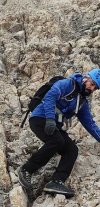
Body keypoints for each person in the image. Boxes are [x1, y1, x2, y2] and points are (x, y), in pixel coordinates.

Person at [18, 69, 100, 198]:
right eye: (92, 84)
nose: (92, 88)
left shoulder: (82, 102)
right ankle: (27, 169)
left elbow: (89, 123)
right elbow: (50, 96)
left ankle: (56, 181)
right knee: (57, 141)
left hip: (54, 125)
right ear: (86, 78)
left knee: (71, 149)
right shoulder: (67, 84)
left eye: (95, 87)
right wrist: (50, 118)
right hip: (40, 118)